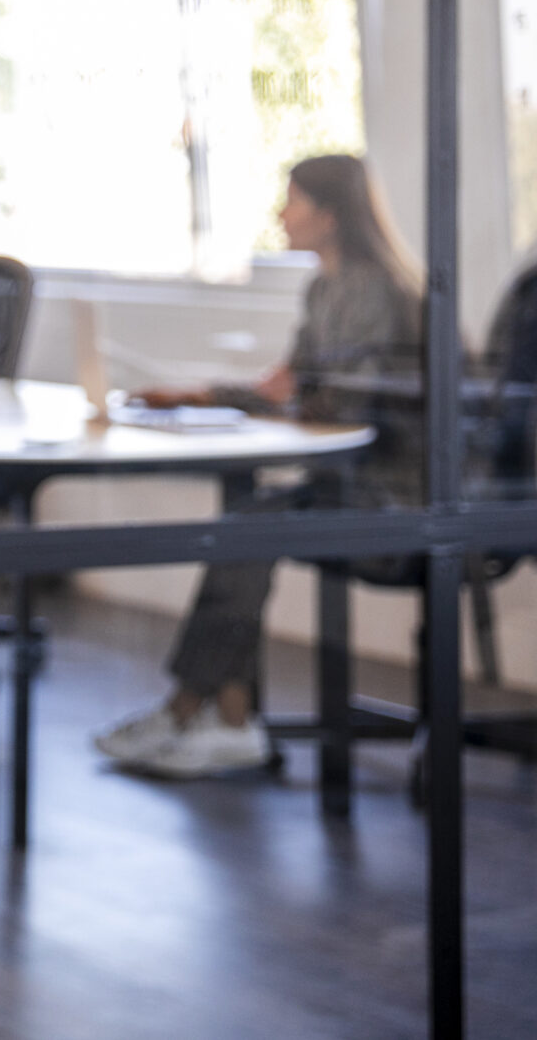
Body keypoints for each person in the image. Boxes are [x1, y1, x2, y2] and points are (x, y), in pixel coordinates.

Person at [95, 153, 425, 779]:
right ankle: (224, 718)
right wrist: (207, 394)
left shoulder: (369, 290)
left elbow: (332, 401)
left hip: (393, 500)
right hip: (349, 484)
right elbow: (294, 388)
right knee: (248, 523)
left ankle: (199, 710)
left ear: (329, 215)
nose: (281, 212)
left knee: (248, 528)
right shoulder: (329, 285)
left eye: (293, 200)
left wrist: (233, 395)